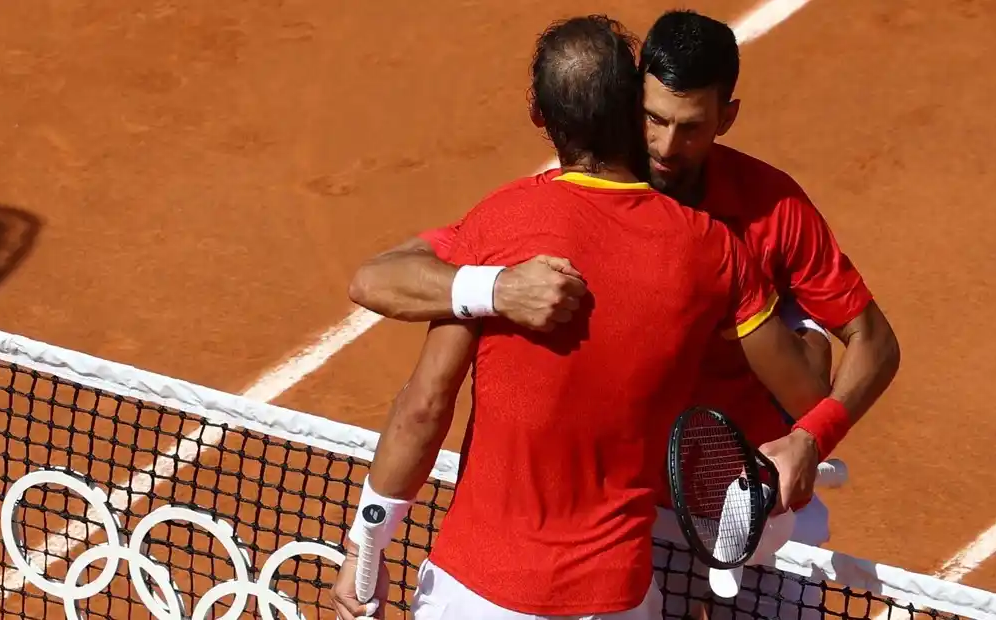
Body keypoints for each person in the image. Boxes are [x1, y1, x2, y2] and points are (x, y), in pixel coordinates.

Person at [331, 14, 830, 620]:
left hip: (474, 592)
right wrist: (806, 330)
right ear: (633, 110)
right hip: (614, 598)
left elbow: (423, 404)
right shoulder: (712, 250)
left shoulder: (500, 224)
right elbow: (809, 388)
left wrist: (369, 544)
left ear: (541, 119)